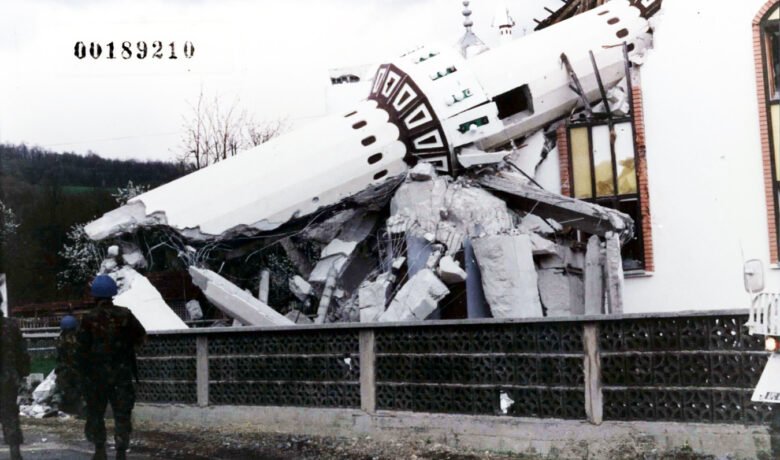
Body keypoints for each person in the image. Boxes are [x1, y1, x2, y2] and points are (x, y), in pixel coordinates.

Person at [77, 275, 146, 460]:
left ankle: (100, 450)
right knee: (122, 414)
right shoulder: (125, 315)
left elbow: (81, 349)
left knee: (96, 413)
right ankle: (121, 451)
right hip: (121, 374)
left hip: (96, 377)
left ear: (95, 296)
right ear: (113, 294)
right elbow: (141, 336)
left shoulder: (88, 318)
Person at [0, 310, 30, 460]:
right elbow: (22, 352)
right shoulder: (11, 325)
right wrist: (23, 373)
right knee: (10, 414)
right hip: (8, 378)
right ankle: (14, 451)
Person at [54, 314, 83, 416]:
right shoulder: (79, 339)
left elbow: (59, 357)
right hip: (77, 369)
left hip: (65, 370)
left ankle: (68, 409)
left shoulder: (61, 340)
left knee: (65, 390)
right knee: (78, 390)